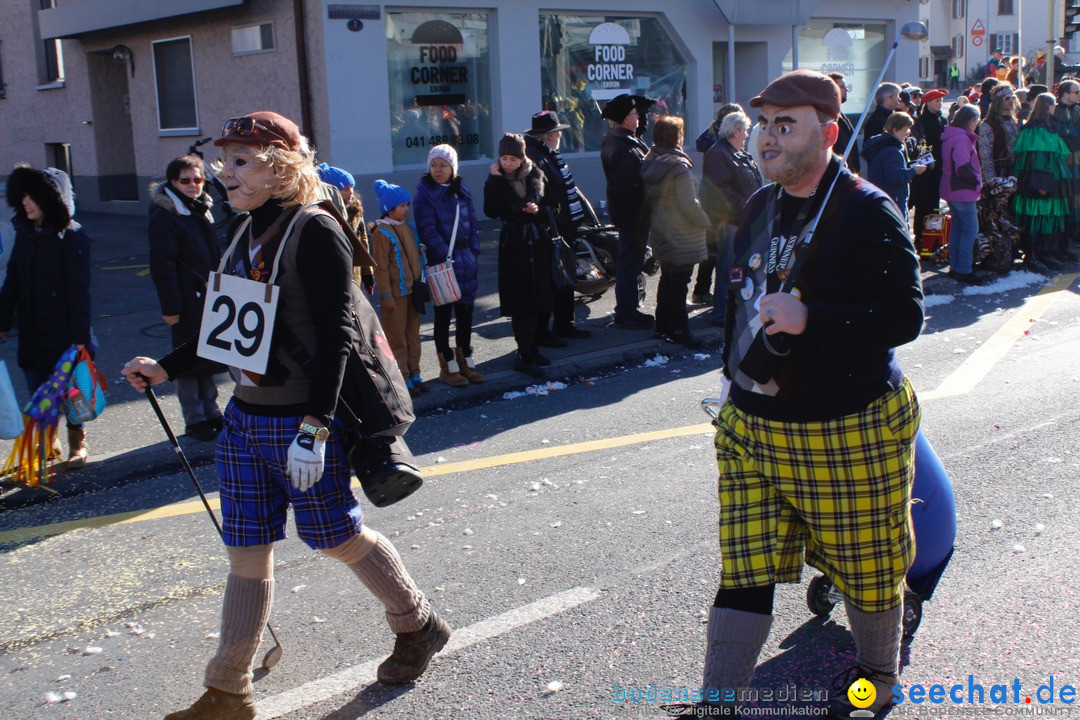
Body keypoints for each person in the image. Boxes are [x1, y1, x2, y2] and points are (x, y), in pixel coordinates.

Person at [121, 111, 450, 720]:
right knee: (247, 550)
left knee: (336, 537)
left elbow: (338, 339)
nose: (225, 174)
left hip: (301, 422)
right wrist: (167, 367)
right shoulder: (244, 230)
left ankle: (417, 622)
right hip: (244, 421)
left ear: (280, 167)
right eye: (225, 161)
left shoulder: (314, 229)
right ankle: (228, 691)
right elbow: (231, 328)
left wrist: (317, 429)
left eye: (241, 162)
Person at [697, 70, 923, 720]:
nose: (769, 135)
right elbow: (739, 304)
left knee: (870, 565)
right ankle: (718, 705)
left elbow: (904, 316)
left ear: (827, 133)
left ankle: (876, 674)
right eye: (765, 122)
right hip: (753, 424)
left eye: (785, 123)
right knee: (743, 566)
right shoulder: (756, 207)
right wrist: (729, 379)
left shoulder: (867, 209)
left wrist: (811, 319)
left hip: (846, 424)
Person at [0, 165, 92, 469]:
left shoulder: (72, 237)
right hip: (31, 329)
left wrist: (80, 339)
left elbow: (79, 291)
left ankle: (78, 445)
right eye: (22, 196)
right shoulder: (25, 233)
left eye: (32, 196)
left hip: (65, 333)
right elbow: (13, 280)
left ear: (49, 199)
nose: (25, 202)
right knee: (38, 389)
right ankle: (47, 442)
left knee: (71, 392)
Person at [147, 155, 224, 442]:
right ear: (172, 182)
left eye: (198, 179)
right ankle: (195, 418)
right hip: (185, 298)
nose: (193, 185)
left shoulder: (200, 208)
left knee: (208, 355)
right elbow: (162, 265)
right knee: (187, 361)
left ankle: (212, 411)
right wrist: (171, 307)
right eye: (185, 180)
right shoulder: (166, 216)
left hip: (207, 295)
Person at [413, 144, 485, 387]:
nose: (438, 170)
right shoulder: (424, 193)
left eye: (443, 165)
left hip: (466, 260)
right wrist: (445, 254)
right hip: (443, 263)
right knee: (443, 316)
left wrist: (474, 250)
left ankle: (465, 358)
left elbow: (473, 224)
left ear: (453, 167)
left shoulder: (461, 191)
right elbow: (427, 229)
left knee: (465, 314)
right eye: (434, 165)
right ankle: (447, 365)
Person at [485, 132, 555, 379]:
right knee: (520, 300)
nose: (507, 163)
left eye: (512, 159)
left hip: (536, 240)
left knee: (537, 296)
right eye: (503, 158)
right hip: (514, 242)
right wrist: (496, 182)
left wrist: (537, 208)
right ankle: (523, 352)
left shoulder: (535, 174)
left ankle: (532, 347)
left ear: (521, 157)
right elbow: (491, 210)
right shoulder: (496, 178)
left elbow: (551, 204)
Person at [523, 110, 592, 341]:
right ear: (550, 135)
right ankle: (548, 330)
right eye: (558, 132)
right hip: (554, 227)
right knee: (554, 279)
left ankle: (565, 325)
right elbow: (544, 195)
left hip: (563, 225)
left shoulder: (547, 155)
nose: (560, 135)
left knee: (565, 276)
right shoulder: (538, 158)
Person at [640, 116, 708, 349]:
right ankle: (679, 328)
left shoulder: (650, 161)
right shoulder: (678, 167)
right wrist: (705, 221)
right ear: (677, 137)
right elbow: (689, 203)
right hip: (682, 232)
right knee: (680, 282)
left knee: (668, 279)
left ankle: (662, 326)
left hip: (661, 227)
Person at [699, 111, 761, 328]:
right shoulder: (719, 153)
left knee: (738, 268)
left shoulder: (737, 152)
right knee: (728, 267)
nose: (746, 135)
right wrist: (748, 204)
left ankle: (733, 307)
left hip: (742, 220)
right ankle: (721, 312)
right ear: (735, 131)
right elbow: (720, 190)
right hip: (730, 221)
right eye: (745, 130)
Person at [601, 93, 654, 330]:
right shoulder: (620, 146)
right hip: (631, 213)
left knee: (631, 261)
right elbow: (628, 184)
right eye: (633, 114)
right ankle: (626, 312)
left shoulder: (627, 139)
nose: (638, 117)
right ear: (623, 119)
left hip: (634, 211)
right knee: (629, 263)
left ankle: (629, 308)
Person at [370, 180, 428, 394]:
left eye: (407, 205)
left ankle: (415, 373)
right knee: (397, 338)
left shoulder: (407, 228)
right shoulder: (382, 232)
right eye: (401, 206)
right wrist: (386, 295)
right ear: (389, 209)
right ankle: (401, 377)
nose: (406, 210)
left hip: (413, 291)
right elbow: (382, 267)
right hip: (395, 294)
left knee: (413, 334)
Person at [1012, 93, 1076, 271]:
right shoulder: (1034, 129)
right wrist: (1040, 185)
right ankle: (1032, 255)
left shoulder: (1047, 126)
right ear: (1047, 106)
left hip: (1051, 182)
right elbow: (1036, 159)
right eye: (1053, 104)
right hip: (1039, 184)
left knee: (1049, 218)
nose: (1055, 107)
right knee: (1035, 218)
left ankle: (1047, 252)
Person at [941, 104, 986, 284]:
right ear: (971, 120)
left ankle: (955, 266)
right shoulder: (961, 138)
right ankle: (965, 269)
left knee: (959, 228)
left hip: (951, 188)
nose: (978, 124)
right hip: (963, 190)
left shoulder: (952, 135)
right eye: (977, 120)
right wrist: (977, 180)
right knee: (970, 229)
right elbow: (962, 166)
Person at [317, 163, 375, 295]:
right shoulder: (325, 214)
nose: (351, 193)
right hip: (337, 274)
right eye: (345, 189)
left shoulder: (356, 211)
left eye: (351, 188)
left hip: (355, 273)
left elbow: (363, 242)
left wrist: (367, 272)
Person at [863, 111, 928, 218]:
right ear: (895, 129)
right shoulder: (892, 151)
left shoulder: (880, 144)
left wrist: (910, 165)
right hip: (893, 198)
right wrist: (914, 170)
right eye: (906, 129)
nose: (908, 133)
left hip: (882, 197)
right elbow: (894, 177)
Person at [911, 88, 949, 243]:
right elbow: (921, 144)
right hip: (927, 170)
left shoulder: (942, 120)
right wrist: (929, 159)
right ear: (927, 103)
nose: (939, 103)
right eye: (936, 101)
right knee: (924, 205)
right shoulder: (921, 121)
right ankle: (921, 239)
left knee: (935, 205)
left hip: (940, 168)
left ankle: (933, 239)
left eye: (941, 101)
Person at [1052, 79, 1080, 248]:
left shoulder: (1078, 111)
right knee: (1065, 194)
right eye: (1076, 92)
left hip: (1078, 157)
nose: (1078, 95)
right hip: (1063, 160)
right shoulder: (1054, 112)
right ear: (1066, 94)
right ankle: (1066, 232)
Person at [978, 84, 1020, 181]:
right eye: (1007, 98)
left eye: (1013, 98)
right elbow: (985, 157)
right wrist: (992, 181)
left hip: (1015, 173)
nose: (1011, 100)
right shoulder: (988, 124)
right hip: (999, 175)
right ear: (998, 101)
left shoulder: (1014, 122)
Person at [827, 72, 861, 174]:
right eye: (842, 86)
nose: (846, 90)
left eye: (846, 86)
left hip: (848, 172)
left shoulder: (840, 113)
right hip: (837, 173)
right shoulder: (828, 115)